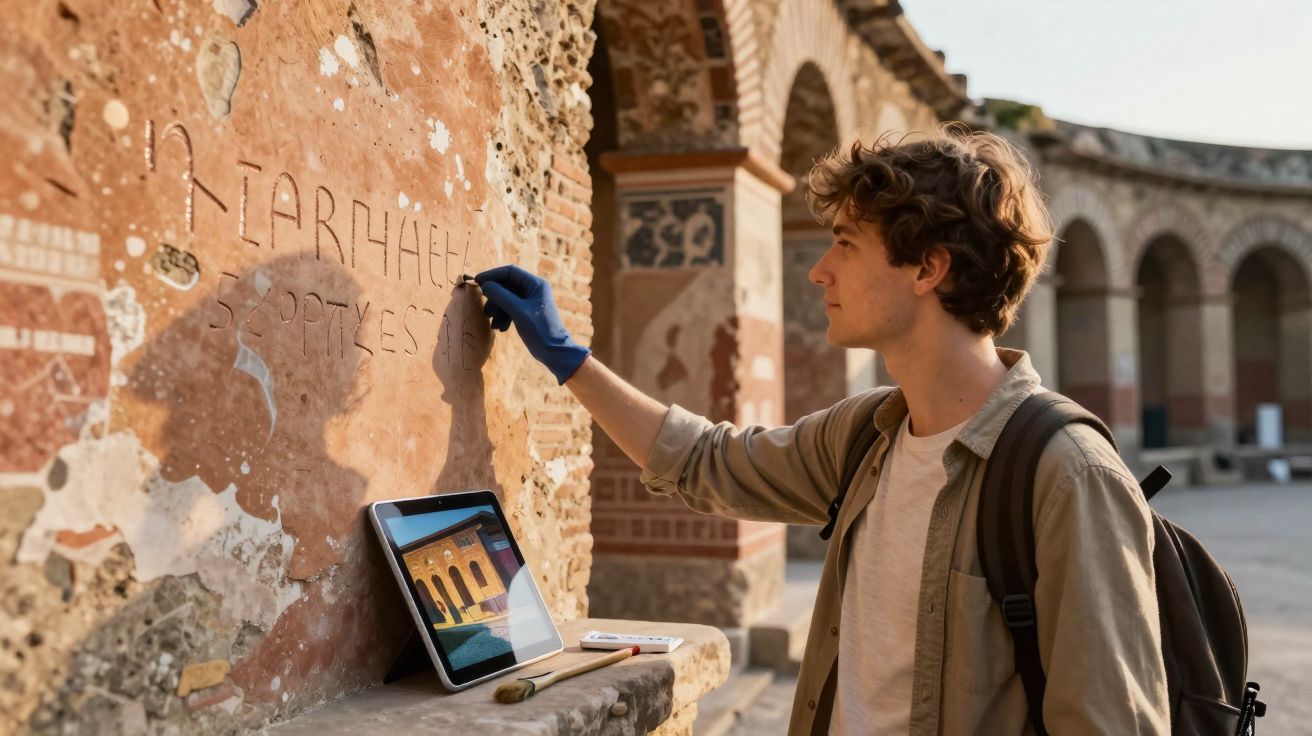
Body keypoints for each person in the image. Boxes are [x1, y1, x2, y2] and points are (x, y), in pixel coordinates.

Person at [474, 124, 1169, 735]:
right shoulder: (868, 435)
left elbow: (1112, 722)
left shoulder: (1067, 475)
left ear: (928, 268)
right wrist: (567, 358)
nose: (818, 270)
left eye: (845, 243)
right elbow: (707, 460)